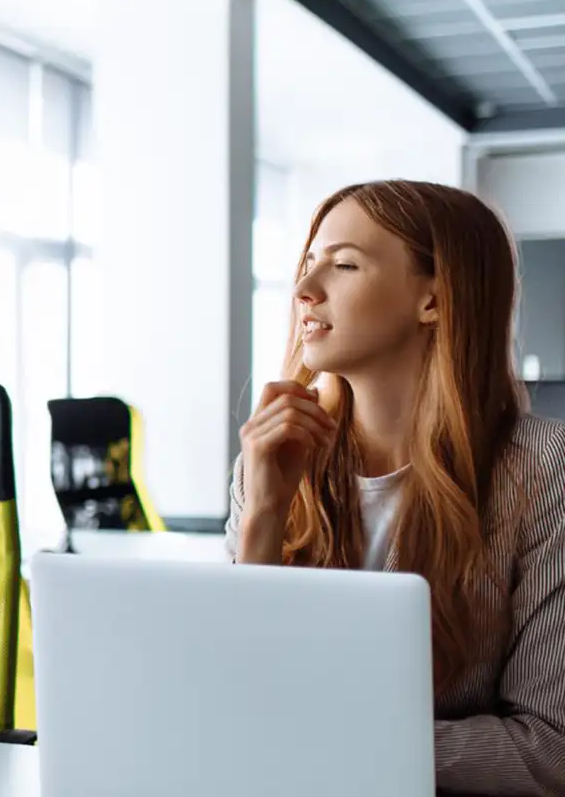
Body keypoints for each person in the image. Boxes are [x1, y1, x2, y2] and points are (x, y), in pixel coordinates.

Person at [228, 180, 565, 795]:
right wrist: (264, 520)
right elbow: (232, 696)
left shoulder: (544, 469)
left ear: (433, 302)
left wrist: (339, 738)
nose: (304, 290)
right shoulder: (271, 457)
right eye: (308, 264)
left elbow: (550, 750)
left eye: (345, 264)